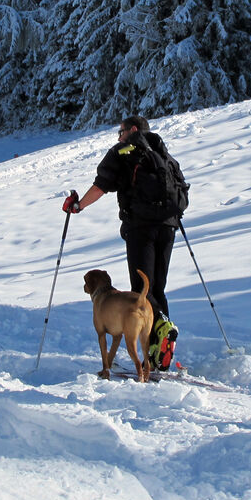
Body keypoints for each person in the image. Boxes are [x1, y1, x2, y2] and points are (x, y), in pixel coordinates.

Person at [64, 115, 185, 370]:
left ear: (132, 130)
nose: (118, 137)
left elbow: (101, 184)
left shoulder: (124, 151)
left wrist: (78, 206)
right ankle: (159, 353)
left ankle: (160, 334)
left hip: (141, 228)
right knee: (156, 288)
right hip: (168, 227)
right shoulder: (163, 152)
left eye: (120, 131)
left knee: (141, 289)